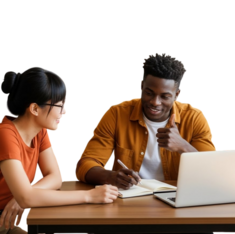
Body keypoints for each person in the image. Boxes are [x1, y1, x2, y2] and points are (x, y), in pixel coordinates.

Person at [0, 66, 118, 234]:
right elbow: (26, 197)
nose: (65, 112)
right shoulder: (4, 134)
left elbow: (56, 177)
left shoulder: (40, 132)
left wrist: (26, 195)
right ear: (35, 109)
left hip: (7, 221)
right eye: (60, 106)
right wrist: (90, 196)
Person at [74, 52, 217, 190]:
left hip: (176, 200)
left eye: (165, 96)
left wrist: (183, 147)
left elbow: (214, 172)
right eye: (149, 93)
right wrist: (111, 177)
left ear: (177, 94)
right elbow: (84, 165)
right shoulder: (116, 114)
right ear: (141, 87)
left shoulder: (194, 118)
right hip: (129, 199)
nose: (155, 102)